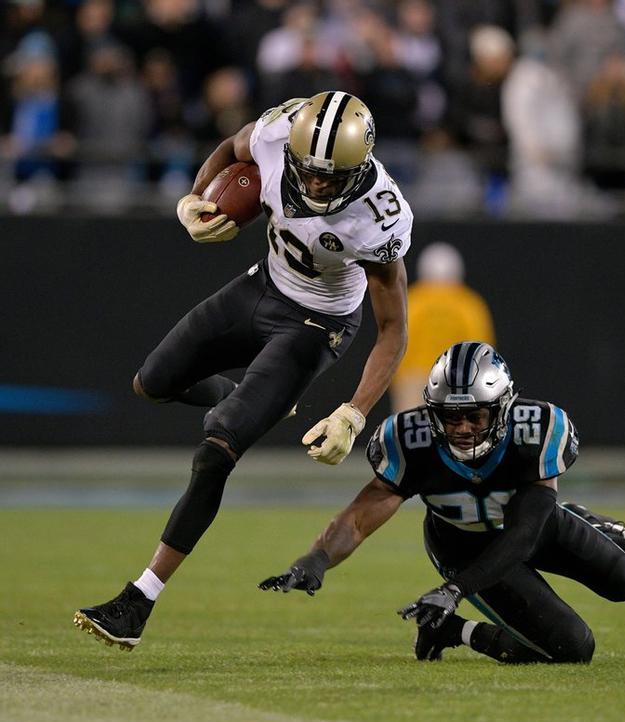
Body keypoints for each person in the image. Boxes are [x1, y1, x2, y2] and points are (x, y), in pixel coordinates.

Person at [73, 91, 412, 650]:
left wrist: (354, 412)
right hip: (261, 285)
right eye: (310, 173)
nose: (318, 186)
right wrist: (195, 196)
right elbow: (231, 148)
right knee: (152, 382)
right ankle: (260, 399)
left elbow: (394, 329)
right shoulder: (280, 133)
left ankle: (140, 600)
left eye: (334, 178)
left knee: (215, 451)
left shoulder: (379, 215)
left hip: (317, 322)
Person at [260, 341, 625, 664]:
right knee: (572, 649)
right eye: (451, 417)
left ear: (502, 409)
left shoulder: (536, 430)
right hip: (464, 549)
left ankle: (585, 520)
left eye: (475, 416)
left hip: (534, 527)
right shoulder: (411, 442)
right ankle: (453, 630)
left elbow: (525, 532)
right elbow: (362, 517)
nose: (462, 429)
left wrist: (456, 589)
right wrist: (317, 558)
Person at [389, 242, 495, 413]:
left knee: (410, 432)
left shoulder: (412, 300)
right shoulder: (469, 303)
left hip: (414, 378)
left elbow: (397, 340)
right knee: (457, 432)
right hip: (457, 379)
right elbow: (481, 346)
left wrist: (397, 377)